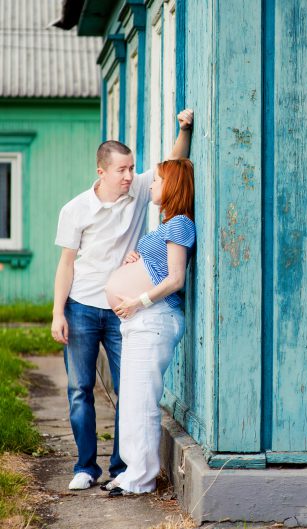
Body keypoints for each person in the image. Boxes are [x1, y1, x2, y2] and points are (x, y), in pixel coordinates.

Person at [51, 109, 194, 490]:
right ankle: (85, 467)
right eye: (122, 170)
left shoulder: (138, 192)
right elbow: (66, 264)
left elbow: (175, 165)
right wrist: (57, 313)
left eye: (132, 168)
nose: (131, 175)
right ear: (102, 171)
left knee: (126, 388)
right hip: (81, 305)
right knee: (80, 388)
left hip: (123, 311)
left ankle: (121, 467)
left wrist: (184, 129)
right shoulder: (75, 209)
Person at [101, 158, 195, 496]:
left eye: (157, 181)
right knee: (131, 399)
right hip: (139, 322)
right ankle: (131, 472)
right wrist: (137, 259)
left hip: (155, 319)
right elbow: (157, 265)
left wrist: (138, 300)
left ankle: (142, 478)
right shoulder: (167, 224)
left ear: (172, 185)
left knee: (142, 401)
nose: (151, 186)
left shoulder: (180, 223)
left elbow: (175, 278)